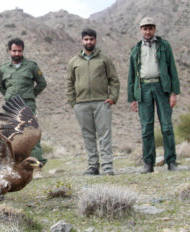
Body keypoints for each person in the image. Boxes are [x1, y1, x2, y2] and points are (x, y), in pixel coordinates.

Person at [128, 17, 180, 173]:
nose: (147, 31)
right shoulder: (136, 50)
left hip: (162, 87)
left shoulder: (164, 46)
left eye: (150, 28)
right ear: (141, 30)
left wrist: (173, 92)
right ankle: (148, 163)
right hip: (143, 88)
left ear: (154, 29)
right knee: (146, 128)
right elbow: (131, 75)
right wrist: (132, 97)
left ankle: (171, 161)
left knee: (167, 126)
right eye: (145, 28)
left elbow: (173, 70)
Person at [66, 28, 120, 176]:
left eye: (91, 39)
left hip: (102, 102)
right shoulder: (74, 61)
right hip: (81, 104)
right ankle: (93, 166)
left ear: (95, 40)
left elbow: (114, 80)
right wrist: (74, 103)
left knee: (104, 135)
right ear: (82, 41)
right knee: (88, 136)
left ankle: (108, 166)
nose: (88, 42)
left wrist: (113, 98)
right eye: (86, 39)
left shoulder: (104, 59)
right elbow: (69, 83)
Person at [0, 38, 47, 165]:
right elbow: (1, 86)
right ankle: (17, 164)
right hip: (11, 108)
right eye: (14, 51)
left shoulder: (31, 66)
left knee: (32, 135)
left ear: (23, 51)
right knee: (12, 136)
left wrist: (31, 95)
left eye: (19, 51)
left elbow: (42, 83)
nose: (17, 54)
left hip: (27, 106)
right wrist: (8, 97)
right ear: (9, 51)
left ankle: (37, 166)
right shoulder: (3, 68)